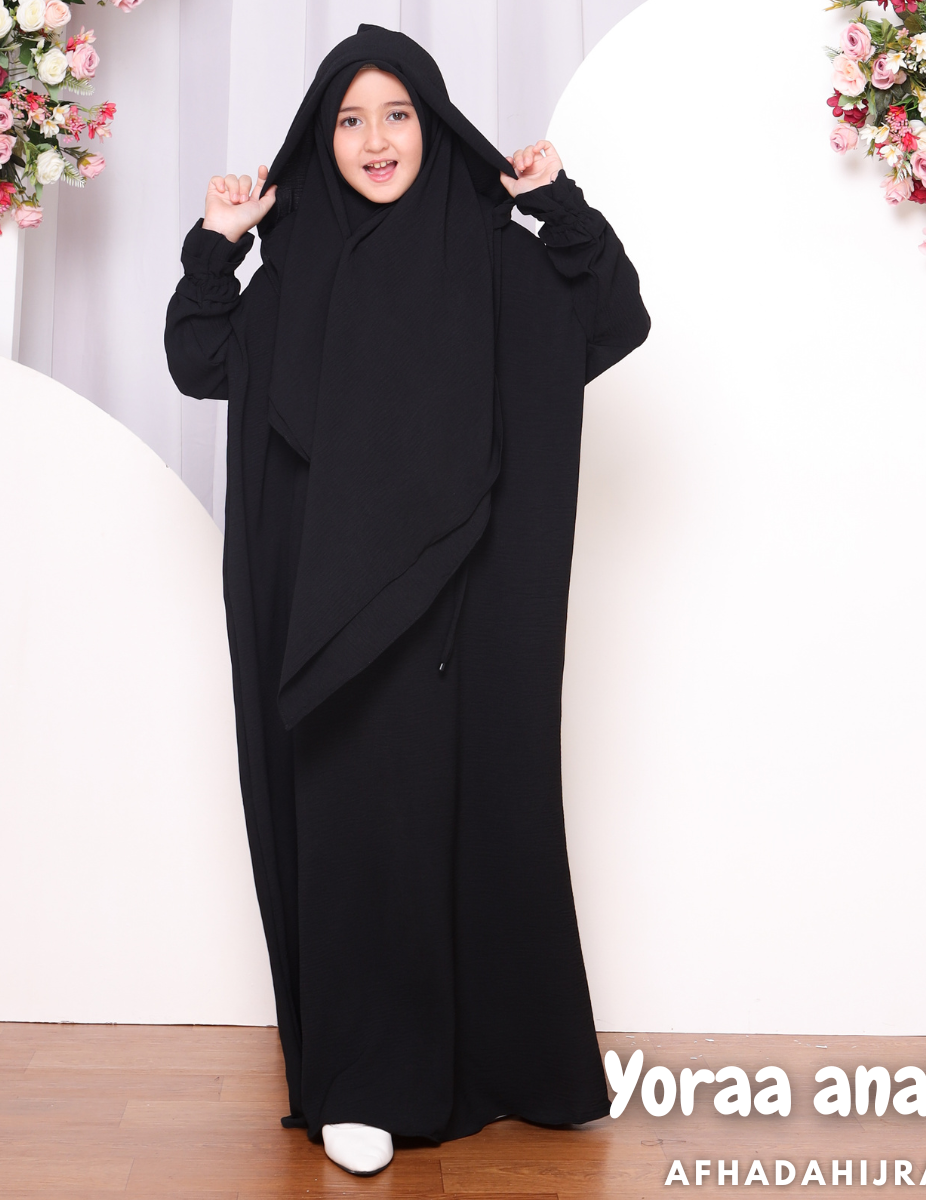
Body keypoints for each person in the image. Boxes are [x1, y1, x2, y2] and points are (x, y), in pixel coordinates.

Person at [164, 24, 650, 1178]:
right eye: (349, 119)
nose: (375, 140)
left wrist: (557, 205)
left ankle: (502, 1065)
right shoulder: (295, 270)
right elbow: (199, 361)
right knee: (355, 842)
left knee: (473, 828)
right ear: (319, 138)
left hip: (462, 611)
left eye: (397, 115)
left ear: (433, 126)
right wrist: (217, 243)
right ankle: (363, 1083)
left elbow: (612, 317)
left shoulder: (494, 255)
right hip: (333, 620)